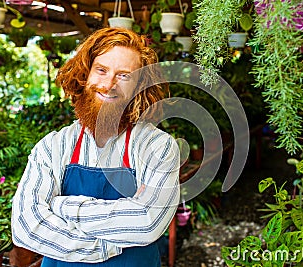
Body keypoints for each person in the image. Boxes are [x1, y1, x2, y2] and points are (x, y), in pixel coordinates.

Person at [11, 27, 180, 267]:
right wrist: (103, 248)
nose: (109, 84)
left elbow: (148, 221)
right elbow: (27, 227)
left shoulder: (158, 147)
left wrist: (62, 206)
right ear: (85, 74)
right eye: (101, 70)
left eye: (124, 76)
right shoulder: (53, 146)